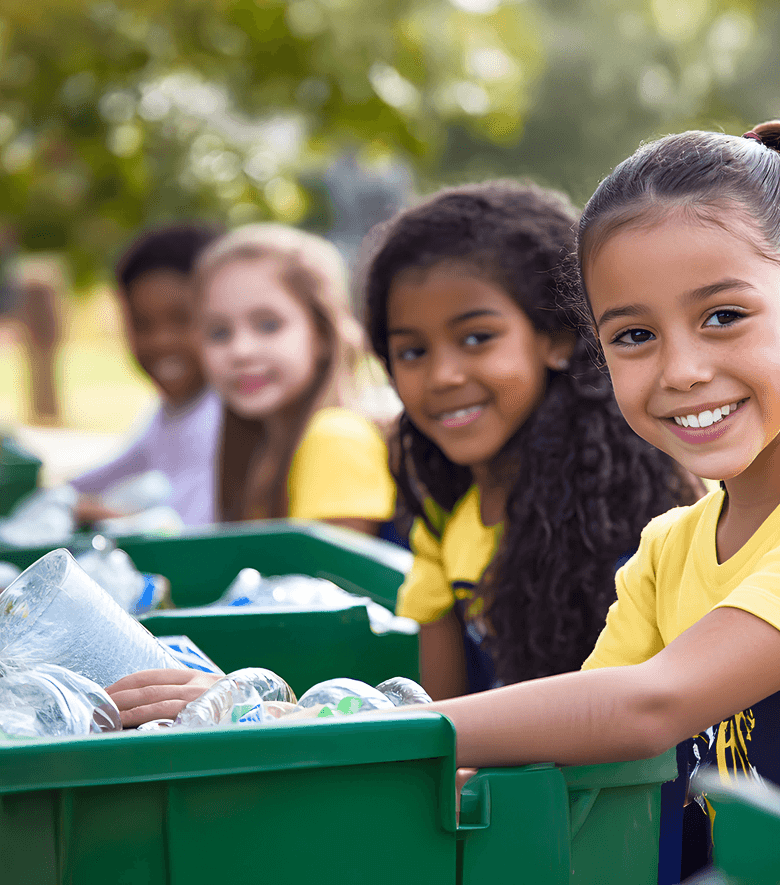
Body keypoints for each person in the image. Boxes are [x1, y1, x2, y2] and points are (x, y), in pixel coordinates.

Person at [108, 125, 780, 876]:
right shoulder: (669, 549)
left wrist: (324, 721)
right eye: (633, 335)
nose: (681, 370)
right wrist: (299, 722)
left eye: (724, 316)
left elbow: (649, 704)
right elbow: (577, 728)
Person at [361, 180, 703, 701]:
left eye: (477, 338)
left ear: (557, 339)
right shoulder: (444, 526)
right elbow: (446, 724)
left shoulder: (638, 517)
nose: (443, 376)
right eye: (412, 351)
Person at [191, 223, 396, 533]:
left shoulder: (335, 438)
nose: (240, 351)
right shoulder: (263, 449)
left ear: (323, 335)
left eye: (268, 325)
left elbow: (334, 580)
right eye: (219, 332)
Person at [70, 222, 223, 527]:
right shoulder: (169, 414)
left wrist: (96, 513)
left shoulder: (223, 417)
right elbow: (110, 472)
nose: (160, 340)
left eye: (181, 319)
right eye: (142, 324)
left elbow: (190, 528)